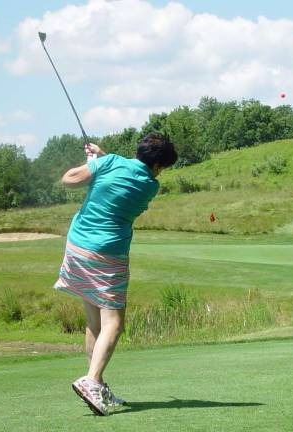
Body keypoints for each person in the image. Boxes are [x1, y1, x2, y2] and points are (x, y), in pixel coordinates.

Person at [54, 132, 178, 416]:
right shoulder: (150, 185)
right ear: (159, 166)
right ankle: (92, 381)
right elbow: (126, 175)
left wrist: (95, 162)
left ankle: (96, 382)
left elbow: (70, 179)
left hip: (77, 246)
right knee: (114, 323)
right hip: (107, 254)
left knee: (95, 321)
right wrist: (101, 160)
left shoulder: (110, 163)